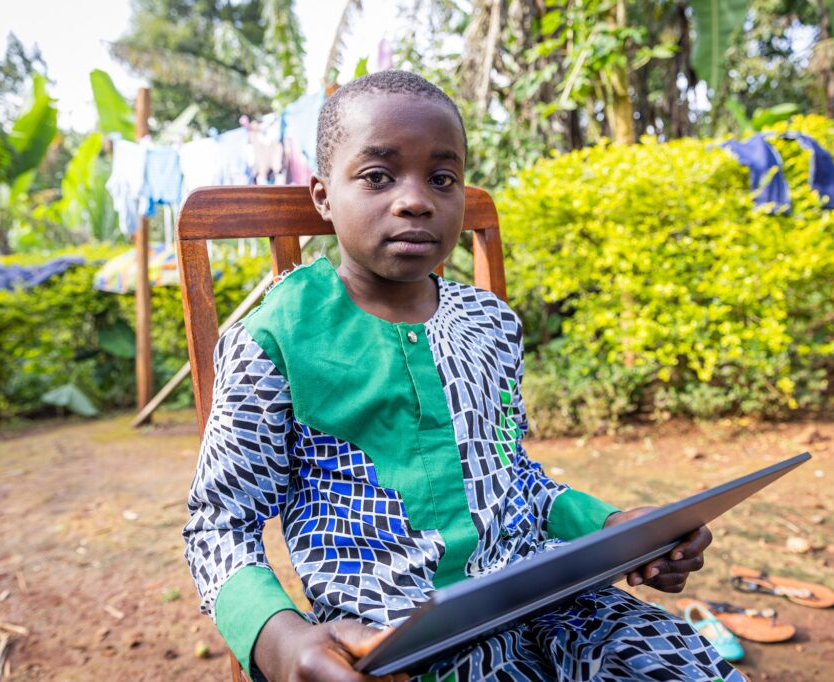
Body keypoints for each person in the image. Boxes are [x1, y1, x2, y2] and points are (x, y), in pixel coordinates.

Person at [184, 70, 742, 682]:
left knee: (674, 662)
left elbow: (513, 477)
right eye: (377, 176)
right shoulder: (274, 338)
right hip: (397, 633)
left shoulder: (490, 322)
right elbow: (218, 524)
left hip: (549, 600)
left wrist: (617, 529)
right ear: (322, 196)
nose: (416, 199)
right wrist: (282, 640)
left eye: (443, 178)